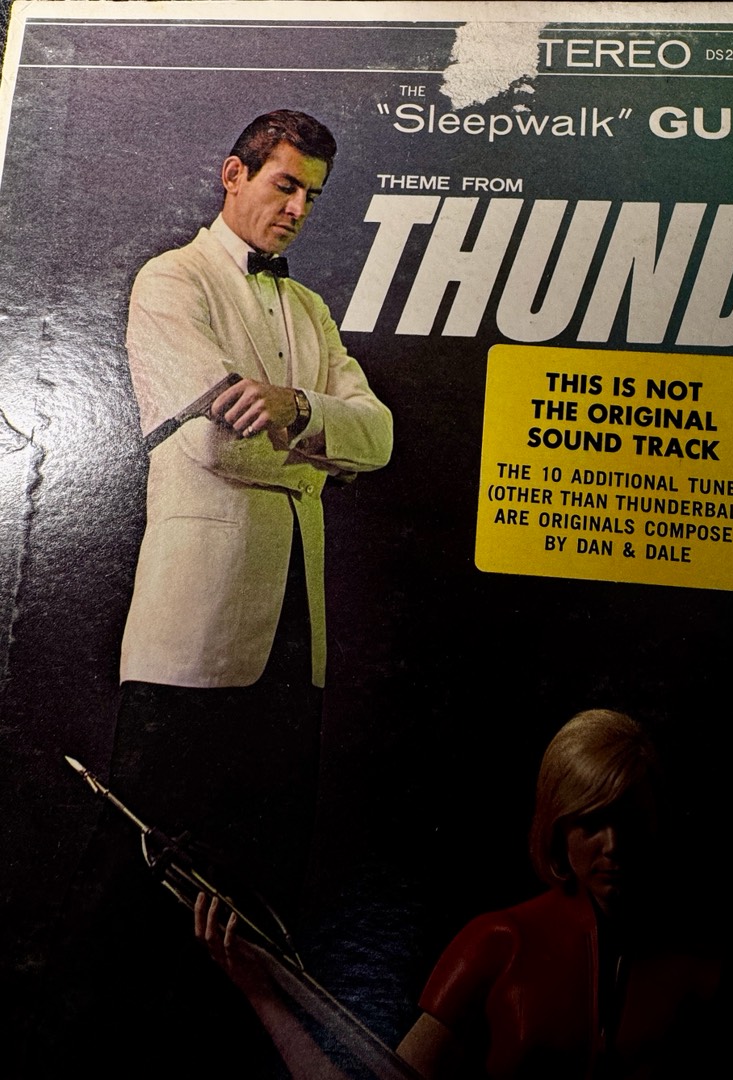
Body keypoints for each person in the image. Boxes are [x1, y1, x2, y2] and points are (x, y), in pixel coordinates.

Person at [112, 109, 394, 905]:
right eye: (285, 186)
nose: (298, 209)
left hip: (297, 640)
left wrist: (295, 408)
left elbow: (379, 437)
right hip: (191, 636)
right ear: (234, 175)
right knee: (149, 889)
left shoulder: (310, 310)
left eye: (313, 196)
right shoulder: (172, 281)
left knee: (266, 890)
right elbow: (213, 443)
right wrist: (322, 458)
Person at [197, 710, 721, 1079]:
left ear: (657, 821)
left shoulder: (702, 967)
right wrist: (263, 995)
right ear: (558, 826)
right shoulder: (498, 942)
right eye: (591, 822)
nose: (614, 845)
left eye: (630, 819)